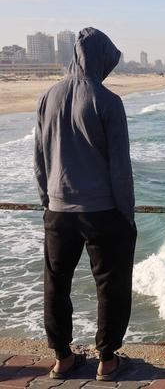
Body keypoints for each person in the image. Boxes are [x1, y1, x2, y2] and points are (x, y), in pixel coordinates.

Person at [34, 27, 136, 381]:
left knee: (56, 283)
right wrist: (127, 214)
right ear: (101, 59)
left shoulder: (48, 97)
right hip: (103, 211)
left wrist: (47, 201)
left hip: (58, 210)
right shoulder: (107, 101)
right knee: (111, 284)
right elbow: (120, 168)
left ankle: (62, 357)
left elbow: (40, 157)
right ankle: (107, 360)